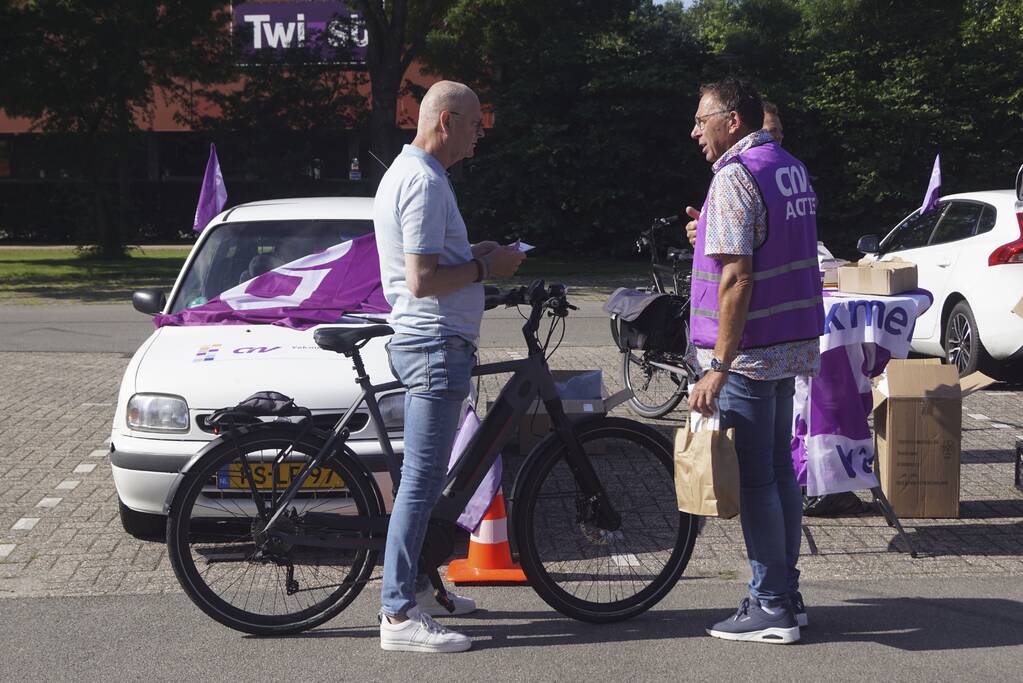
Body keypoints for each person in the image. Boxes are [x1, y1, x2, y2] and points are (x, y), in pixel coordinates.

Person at [373, 80, 525, 653]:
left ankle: (418, 586)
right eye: (474, 126)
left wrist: (477, 254)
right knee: (421, 481)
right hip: (434, 344)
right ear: (446, 121)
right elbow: (422, 280)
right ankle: (397, 614)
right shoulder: (424, 182)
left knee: (428, 477)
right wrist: (491, 271)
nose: (478, 136)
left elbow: (434, 263)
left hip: (435, 341)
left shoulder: (416, 175)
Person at [685, 78, 823, 644]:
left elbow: (739, 278)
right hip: (786, 345)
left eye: (702, 119)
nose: (696, 131)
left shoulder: (736, 177)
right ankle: (785, 593)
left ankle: (770, 607)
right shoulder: (787, 166)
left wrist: (718, 363)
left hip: (747, 355)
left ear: (732, 120)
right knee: (778, 476)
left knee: (760, 481)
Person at [686, 101, 783, 246]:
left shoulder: (734, 175)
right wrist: (712, 228)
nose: (778, 137)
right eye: (768, 132)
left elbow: (737, 267)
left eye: (778, 131)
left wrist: (719, 231)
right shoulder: (740, 174)